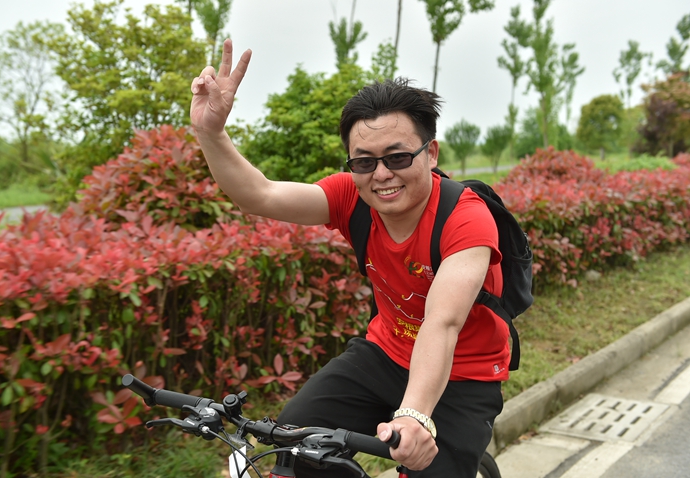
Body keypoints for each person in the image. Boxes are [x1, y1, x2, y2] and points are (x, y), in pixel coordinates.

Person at [190, 39, 508, 478]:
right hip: (384, 354)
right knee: (295, 444)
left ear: (431, 153)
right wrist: (210, 133)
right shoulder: (352, 197)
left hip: (463, 373)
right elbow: (259, 195)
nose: (382, 174)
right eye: (364, 162)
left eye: (398, 156)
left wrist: (413, 415)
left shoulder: (465, 218)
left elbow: (443, 322)